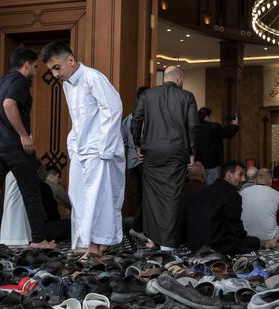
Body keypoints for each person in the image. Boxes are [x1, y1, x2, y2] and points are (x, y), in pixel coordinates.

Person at [41, 40, 125, 256]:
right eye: (51, 70)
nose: (55, 74)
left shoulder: (92, 77)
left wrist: (103, 147)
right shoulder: (68, 84)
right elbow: (78, 119)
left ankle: (94, 246)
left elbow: (113, 109)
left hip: (99, 149)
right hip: (81, 148)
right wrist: (74, 144)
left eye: (56, 68)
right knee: (78, 197)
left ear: (70, 60)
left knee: (98, 198)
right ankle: (91, 243)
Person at [0, 46, 56, 249]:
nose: (35, 72)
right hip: (16, 147)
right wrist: (23, 135)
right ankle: (39, 240)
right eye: (35, 67)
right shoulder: (19, 81)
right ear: (27, 64)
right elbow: (9, 104)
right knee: (31, 192)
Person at [131, 66, 198, 251]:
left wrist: (137, 144)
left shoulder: (147, 95)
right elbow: (192, 126)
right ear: (179, 77)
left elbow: (136, 120)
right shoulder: (187, 97)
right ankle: (167, 243)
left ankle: (153, 239)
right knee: (172, 197)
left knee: (151, 197)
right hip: (176, 152)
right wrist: (192, 151)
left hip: (152, 152)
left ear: (164, 79)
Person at [187, 161, 261, 255]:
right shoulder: (232, 194)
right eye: (240, 174)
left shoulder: (205, 190)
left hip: (195, 244)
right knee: (255, 241)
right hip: (216, 246)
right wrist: (246, 236)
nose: (243, 179)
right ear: (229, 175)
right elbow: (235, 228)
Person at [121, 86, 147, 241]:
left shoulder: (128, 118)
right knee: (149, 196)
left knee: (139, 197)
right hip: (145, 161)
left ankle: (140, 228)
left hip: (131, 163)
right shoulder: (147, 117)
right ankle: (139, 228)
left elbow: (122, 140)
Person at [241, 168, 279, 248]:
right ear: (271, 181)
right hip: (269, 238)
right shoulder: (277, 194)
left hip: (246, 236)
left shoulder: (243, 192)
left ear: (255, 180)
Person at [196, 107, 239, 185]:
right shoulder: (213, 127)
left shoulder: (193, 127)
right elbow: (226, 133)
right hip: (211, 163)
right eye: (210, 116)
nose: (211, 118)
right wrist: (234, 126)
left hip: (197, 164)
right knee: (211, 188)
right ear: (206, 117)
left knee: (198, 187)